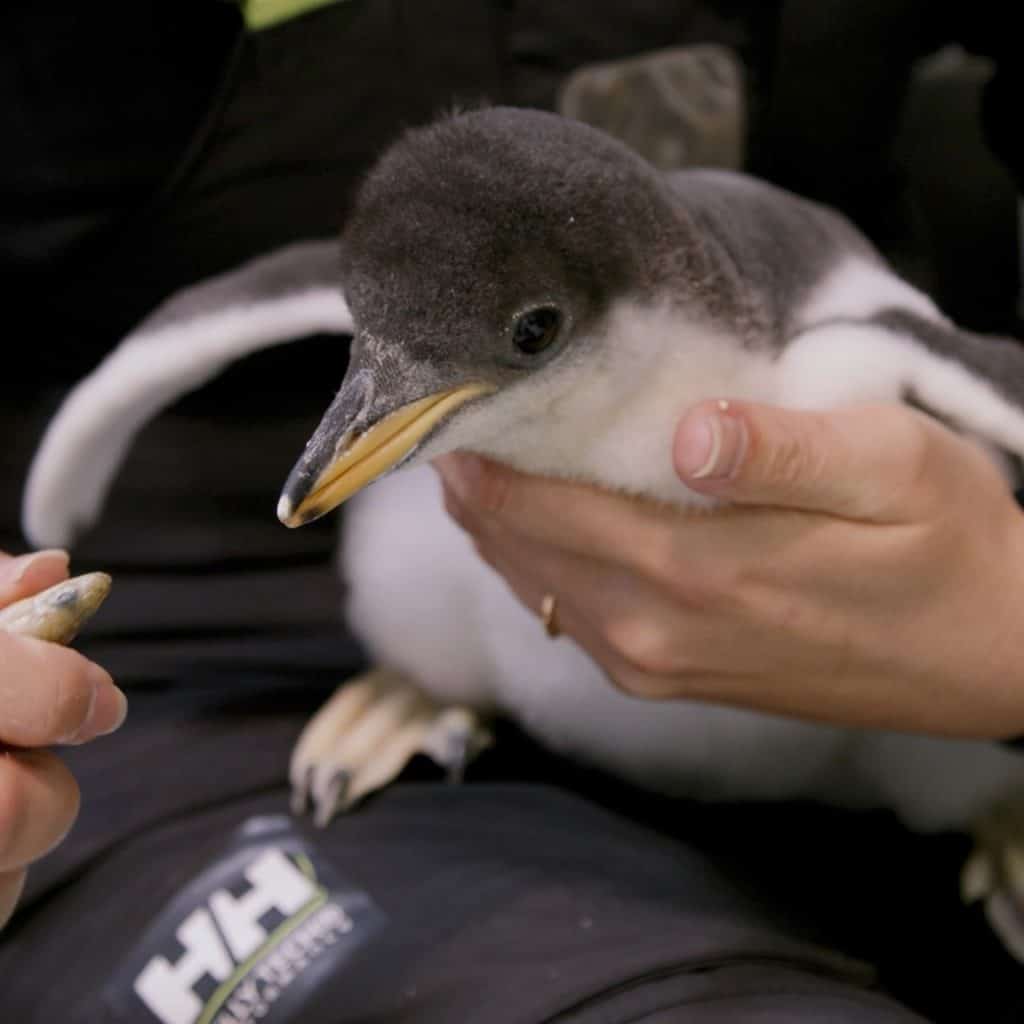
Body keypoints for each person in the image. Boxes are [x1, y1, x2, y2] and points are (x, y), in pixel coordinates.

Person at [2, 2, 1022, 1021]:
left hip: (923, 650)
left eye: (531, 333)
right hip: (242, 664)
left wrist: (1004, 639)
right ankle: (429, 677)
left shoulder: (825, 357)